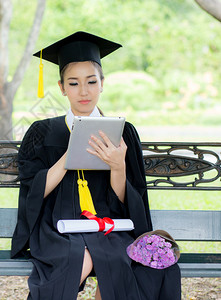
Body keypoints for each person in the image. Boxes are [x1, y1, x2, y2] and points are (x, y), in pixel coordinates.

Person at [11, 31, 181, 300]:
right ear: (61, 87)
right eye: (74, 83)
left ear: (103, 83)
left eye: (91, 81)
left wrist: (118, 166)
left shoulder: (123, 133)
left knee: (118, 261)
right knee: (82, 258)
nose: (84, 91)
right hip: (57, 228)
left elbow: (131, 200)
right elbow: (33, 192)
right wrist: (68, 158)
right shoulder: (42, 132)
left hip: (110, 226)